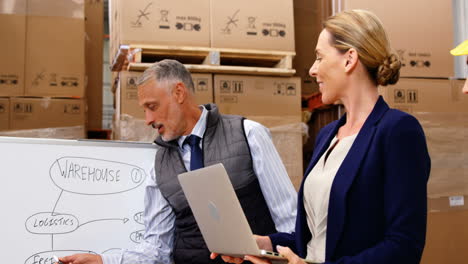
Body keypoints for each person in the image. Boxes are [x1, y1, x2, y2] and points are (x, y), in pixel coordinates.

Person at [213, 9, 431, 264]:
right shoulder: (328, 135)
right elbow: (316, 237)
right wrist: (266, 243)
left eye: (319, 57)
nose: (313, 70)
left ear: (349, 59)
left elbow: (404, 246)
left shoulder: (398, 130)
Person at [58, 59, 298, 264]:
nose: (148, 119)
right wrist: (104, 260)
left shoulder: (248, 134)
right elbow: (157, 249)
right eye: (144, 110)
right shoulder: (160, 165)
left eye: (152, 107)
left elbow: (290, 222)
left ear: (179, 93)